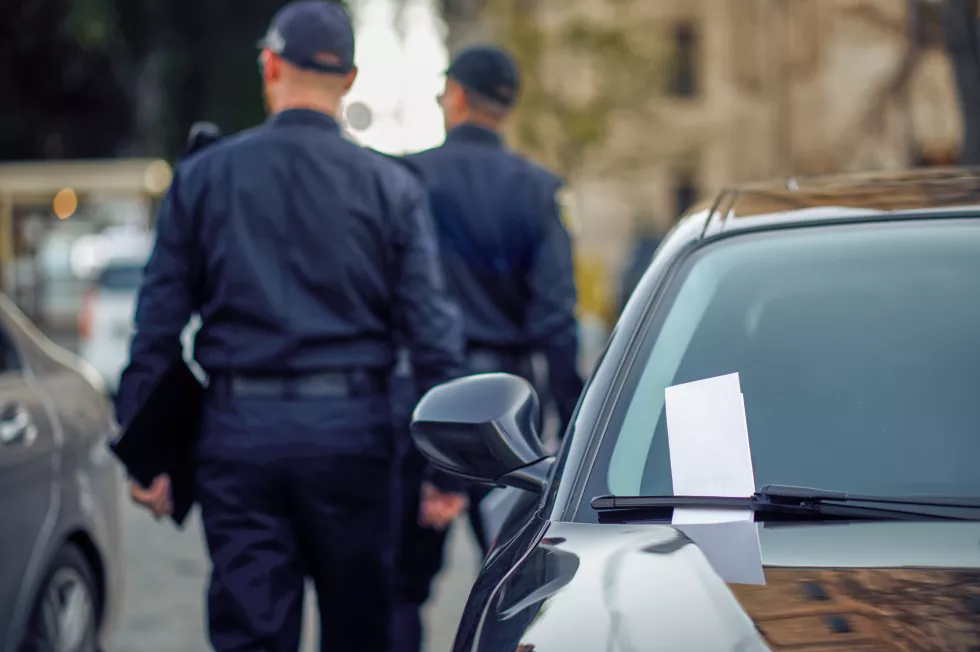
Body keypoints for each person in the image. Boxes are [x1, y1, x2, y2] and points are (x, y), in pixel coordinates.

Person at [115, 2, 465, 651]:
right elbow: (433, 335)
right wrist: (448, 470)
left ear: (271, 66)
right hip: (354, 437)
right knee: (362, 632)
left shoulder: (203, 177)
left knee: (251, 636)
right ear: (350, 79)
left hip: (238, 436)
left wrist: (147, 447)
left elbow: (156, 324)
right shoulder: (392, 187)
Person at [388, 44, 584, 652]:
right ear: (508, 105)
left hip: (420, 400)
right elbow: (556, 320)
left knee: (400, 587)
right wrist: (574, 421)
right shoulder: (539, 189)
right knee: (520, 587)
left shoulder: (407, 178)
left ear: (456, 96)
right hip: (507, 417)